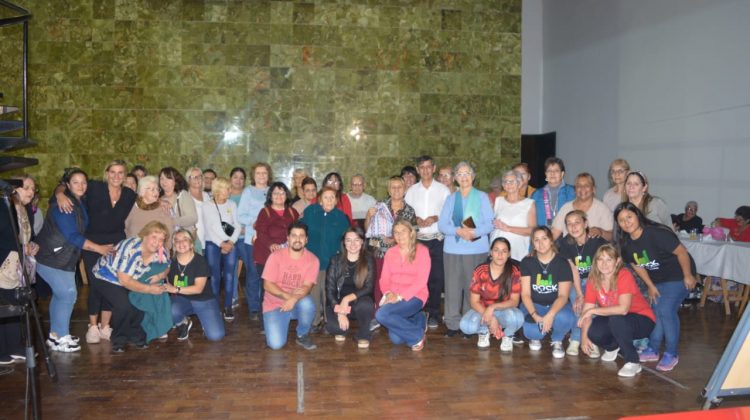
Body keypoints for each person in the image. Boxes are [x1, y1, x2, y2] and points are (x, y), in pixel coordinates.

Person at [54, 160, 138, 345]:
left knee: (112, 283)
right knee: (97, 284)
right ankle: (92, 326)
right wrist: (60, 194)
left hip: (116, 244)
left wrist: (164, 202)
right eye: (113, 172)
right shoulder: (94, 187)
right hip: (92, 243)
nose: (116, 176)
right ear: (106, 173)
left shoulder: (130, 194)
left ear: (125, 175)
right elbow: (66, 184)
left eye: (120, 172)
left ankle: (105, 325)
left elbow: (146, 203)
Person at [614, 202, 697, 371]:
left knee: (666, 311)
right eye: (621, 220)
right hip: (658, 279)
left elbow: (682, 252)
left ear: (637, 215)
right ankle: (652, 349)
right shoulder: (627, 244)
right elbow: (638, 266)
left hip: (678, 274)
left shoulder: (655, 234)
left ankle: (672, 353)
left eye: (629, 217)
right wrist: (650, 286)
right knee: (656, 311)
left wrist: (688, 275)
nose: (626, 222)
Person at [36, 169, 112, 352]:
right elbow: (73, 236)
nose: (81, 186)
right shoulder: (64, 204)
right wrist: (100, 248)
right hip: (52, 257)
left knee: (61, 295)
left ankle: (55, 336)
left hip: (65, 258)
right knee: (68, 294)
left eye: (83, 182)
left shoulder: (77, 200)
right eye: (75, 182)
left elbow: (62, 185)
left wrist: (60, 190)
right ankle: (61, 337)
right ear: (68, 185)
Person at [92, 221, 171, 353]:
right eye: (154, 237)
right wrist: (150, 289)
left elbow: (168, 266)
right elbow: (125, 281)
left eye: (161, 240)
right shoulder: (130, 248)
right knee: (124, 305)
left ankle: (135, 335)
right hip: (106, 276)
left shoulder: (161, 251)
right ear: (145, 235)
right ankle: (119, 340)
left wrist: (161, 275)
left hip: (130, 278)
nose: (157, 242)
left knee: (140, 300)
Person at [578, 244, 656, 377]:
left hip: (642, 319)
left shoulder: (624, 275)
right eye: (600, 259)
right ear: (595, 261)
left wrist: (592, 311)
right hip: (617, 318)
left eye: (609, 259)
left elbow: (623, 309)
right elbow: (587, 311)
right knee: (593, 331)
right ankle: (612, 347)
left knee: (617, 319)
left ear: (617, 261)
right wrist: (584, 336)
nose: (604, 264)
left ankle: (633, 361)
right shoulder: (593, 279)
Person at [438, 161, 494, 337]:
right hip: (452, 249)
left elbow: (489, 223)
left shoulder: (482, 197)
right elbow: (442, 224)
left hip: (476, 249)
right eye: (460, 174)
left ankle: (470, 324)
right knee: (452, 288)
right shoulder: (450, 198)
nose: (463, 177)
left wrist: (474, 233)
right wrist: (458, 231)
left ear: (473, 176)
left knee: (473, 289)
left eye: (467, 173)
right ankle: (453, 324)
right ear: (455, 178)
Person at [405, 155, 450, 329]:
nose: (425, 170)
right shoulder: (411, 191)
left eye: (428, 167)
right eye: (421, 167)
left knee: (436, 278)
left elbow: (447, 213)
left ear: (434, 168)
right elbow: (407, 214)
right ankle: (417, 311)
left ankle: (434, 313)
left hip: (437, 239)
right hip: (418, 241)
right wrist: (416, 219)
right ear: (417, 170)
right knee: (417, 278)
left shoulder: (443, 190)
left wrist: (435, 217)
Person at [554, 210, 608, 356]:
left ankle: (590, 339)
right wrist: (579, 293)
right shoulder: (565, 242)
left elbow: (602, 270)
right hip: (574, 281)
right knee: (578, 304)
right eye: (569, 224)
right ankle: (576, 339)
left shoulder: (597, 241)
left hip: (596, 280)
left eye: (577, 222)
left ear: (585, 223)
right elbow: (573, 270)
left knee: (592, 305)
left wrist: (588, 294)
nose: (573, 227)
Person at [365, 176, 416, 324]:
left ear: (405, 189)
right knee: (380, 284)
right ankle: (377, 315)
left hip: (401, 256)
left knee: (399, 285)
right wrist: (368, 216)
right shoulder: (379, 207)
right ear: (388, 190)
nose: (396, 190)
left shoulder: (410, 211)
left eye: (399, 187)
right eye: (393, 187)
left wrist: (394, 240)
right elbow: (369, 232)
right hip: (380, 253)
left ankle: (396, 314)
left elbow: (413, 235)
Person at [459, 237, 524, 352]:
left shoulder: (514, 271)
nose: (500, 254)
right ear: (490, 253)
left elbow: (514, 301)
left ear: (509, 254)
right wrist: (491, 317)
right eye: (496, 250)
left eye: (504, 251)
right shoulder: (480, 270)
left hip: (504, 310)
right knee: (466, 326)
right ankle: (484, 331)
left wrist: (493, 307)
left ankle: (507, 335)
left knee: (517, 318)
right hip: (482, 309)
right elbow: (474, 302)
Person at [519, 226, 575, 358]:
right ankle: (537, 335)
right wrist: (534, 315)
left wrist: (550, 315)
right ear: (533, 244)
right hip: (534, 305)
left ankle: (557, 339)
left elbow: (563, 296)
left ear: (551, 241)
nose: (541, 243)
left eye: (544, 238)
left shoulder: (562, 263)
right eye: (536, 240)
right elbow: (525, 294)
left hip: (556, 306)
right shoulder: (527, 262)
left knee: (565, 318)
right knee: (532, 332)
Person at [262, 221, 319, 350]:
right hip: (275, 305)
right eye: (294, 235)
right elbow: (267, 285)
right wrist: (288, 296)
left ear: (306, 239)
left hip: (297, 302)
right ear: (288, 238)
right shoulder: (275, 256)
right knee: (275, 345)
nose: (297, 239)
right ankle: (279, 321)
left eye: (301, 236)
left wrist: (293, 299)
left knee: (308, 303)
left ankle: (302, 334)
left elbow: (307, 287)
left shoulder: (313, 260)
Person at [0, 176, 39, 363]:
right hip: (3, 262)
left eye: (33, 188)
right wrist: (18, 246)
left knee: (15, 303)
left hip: (16, 265)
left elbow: (30, 236)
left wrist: (32, 245)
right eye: (26, 188)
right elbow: (5, 235)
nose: (31, 192)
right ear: (14, 189)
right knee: (3, 305)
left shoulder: (25, 210)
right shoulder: (3, 206)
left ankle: (15, 345)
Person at [375, 220, 430, 351]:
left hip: (415, 296)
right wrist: (388, 293)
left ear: (411, 233)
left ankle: (417, 335)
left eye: (403, 231)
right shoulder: (390, 252)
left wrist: (400, 297)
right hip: (393, 296)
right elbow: (384, 279)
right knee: (397, 340)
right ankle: (419, 319)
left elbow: (421, 282)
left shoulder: (422, 251)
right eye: (396, 232)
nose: (399, 235)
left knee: (381, 315)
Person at [300, 187, 350, 329]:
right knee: (314, 292)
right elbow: (300, 231)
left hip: (333, 262)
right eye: (326, 197)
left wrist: (343, 261)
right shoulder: (310, 212)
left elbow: (346, 240)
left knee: (329, 293)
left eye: (332, 197)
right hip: (312, 260)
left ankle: (329, 320)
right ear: (320, 200)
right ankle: (315, 321)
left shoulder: (340, 217)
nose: (329, 200)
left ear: (336, 200)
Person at [163, 229, 225, 342]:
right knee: (169, 308)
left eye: (185, 239)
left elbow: (198, 289)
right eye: (177, 240)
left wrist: (176, 289)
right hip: (182, 300)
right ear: (174, 245)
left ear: (191, 243)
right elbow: (166, 283)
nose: (181, 243)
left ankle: (211, 315)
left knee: (216, 336)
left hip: (203, 300)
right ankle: (183, 322)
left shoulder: (200, 261)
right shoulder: (170, 263)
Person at [325, 227, 375, 348]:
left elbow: (368, 288)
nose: (352, 244)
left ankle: (363, 334)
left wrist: (346, 299)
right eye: (348, 240)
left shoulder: (369, 259)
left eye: (356, 240)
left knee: (366, 304)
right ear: (344, 242)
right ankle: (342, 324)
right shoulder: (335, 260)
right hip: (337, 303)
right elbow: (329, 290)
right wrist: (340, 311)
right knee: (335, 329)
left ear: (362, 241)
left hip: (358, 303)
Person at [202, 177, 240, 321]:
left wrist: (230, 242)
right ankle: (215, 307)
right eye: (227, 188)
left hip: (230, 243)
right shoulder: (207, 206)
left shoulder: (232, 204)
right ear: (218, 189)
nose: (230, 191)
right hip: (213, 244)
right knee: (215, 277)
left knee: (230, 276)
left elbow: (237, 225)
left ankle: (228, 306)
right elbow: (209, 229)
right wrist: (221, 244)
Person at [237, 162, 271, 321]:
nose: (262, 176)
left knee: (269, 275)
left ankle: (268, 305)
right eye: (258, 173)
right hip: (253, 240)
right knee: (253, 275)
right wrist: (256, 221)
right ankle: (254, 308)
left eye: (264, 173)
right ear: (253, 175)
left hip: (270, 241)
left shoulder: (272, 191)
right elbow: (241, 216)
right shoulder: (248, 192)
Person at [490, 169, 536, 262]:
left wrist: (508, 228)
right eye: (505, 182)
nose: (508, 184)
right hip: (497, 252)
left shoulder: (529, 203)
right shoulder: (498, 200)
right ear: (503, 185)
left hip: (518, 251)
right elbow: (491, 223)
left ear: (519, 184)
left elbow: (533, 230)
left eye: (512, 181)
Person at [551, 173, 613, 241]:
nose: (582, 188)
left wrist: (601, 232)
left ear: (593, 189)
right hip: (570, 249)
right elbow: (554, 234)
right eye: (579, 185)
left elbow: (612, 236)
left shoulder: (602, 209)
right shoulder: (566, 208)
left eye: (586, 185)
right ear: (575, 190)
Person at [124, 176, 175, 243]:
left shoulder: (164, 208)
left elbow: (169, 233)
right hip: (133, 249)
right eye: (152, 189)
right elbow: (125, 229)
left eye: (157, 189)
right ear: (142, 192)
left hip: (157, 250)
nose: (156, 192)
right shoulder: (131, 207)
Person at [530, 157, 575, 227]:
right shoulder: (536, 194)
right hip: (544, 235)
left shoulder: (573, 191)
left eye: (556, 171)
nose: (552, 173)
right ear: (545, 174)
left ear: (562, 173)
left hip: (566, 233)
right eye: (549, 171)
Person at [158, 167, 198, 237]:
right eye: (162, 178)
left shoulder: (183, 195)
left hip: (185, 240)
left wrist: (172, 222)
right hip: (165, 240)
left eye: (168, 178)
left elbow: (193, 218)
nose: (164, 181)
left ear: (175, 181)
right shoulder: (158, 199)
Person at [228, 167, 247, 310]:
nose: (238, 180)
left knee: (253, 269)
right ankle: (232, 297)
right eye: (235, 177)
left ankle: (256, 297)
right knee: (231, 270)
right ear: (230, 179)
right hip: (230, 239)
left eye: (241, 178)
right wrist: (235, 231)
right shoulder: (225, 196)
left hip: (247, 238)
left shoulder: (248, 195)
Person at [186, 166, 210, 253]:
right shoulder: (185, 197)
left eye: (199, 176)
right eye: (193, 177)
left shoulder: (207, 196)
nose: (197, 179)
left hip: (210, 240)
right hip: (195, 240)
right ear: (188, 180)